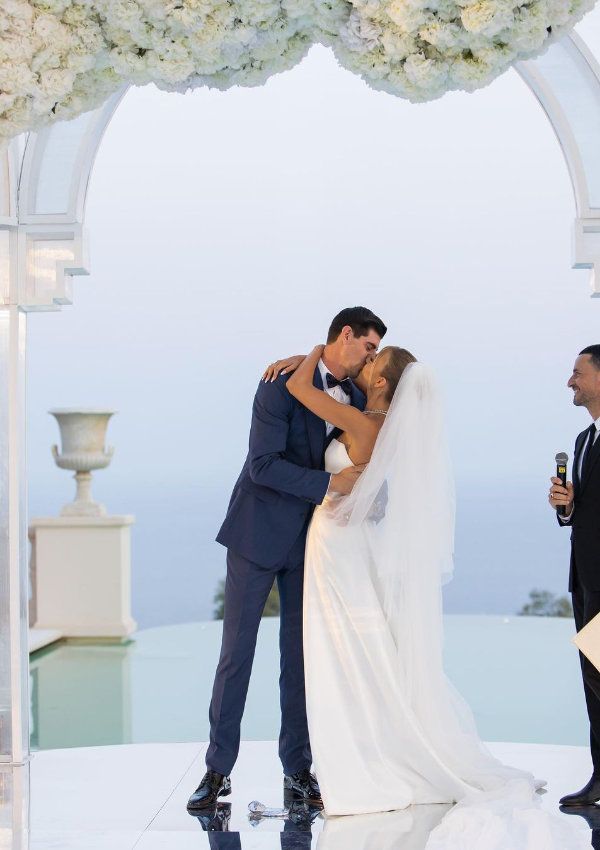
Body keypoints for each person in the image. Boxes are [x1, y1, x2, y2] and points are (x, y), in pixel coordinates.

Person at [266, 343, 543, 819]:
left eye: (372, 361)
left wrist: (312, 351)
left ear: (379, 382)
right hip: (347, 540)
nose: (363, 363)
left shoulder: (364, 423)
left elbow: (296, 387)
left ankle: (360, 758)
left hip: (336, 545)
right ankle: (367, 745)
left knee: (339, 649)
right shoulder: (383, 426)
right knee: (353, 645)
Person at [186, 307, 387, 811]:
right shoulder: (277, 387)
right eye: (368, 346)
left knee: (299, 659)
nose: (372, 357)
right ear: (347, 334)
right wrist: (329, 484)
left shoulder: (361, 398)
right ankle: (217, 771)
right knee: (237, 655)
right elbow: (262, 465)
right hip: (256, 534)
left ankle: (297, 771)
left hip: (314, 544)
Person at [550, 345, 600, 807]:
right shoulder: (585, 440)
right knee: (594, 679)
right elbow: (584, 512)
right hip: (585, 582)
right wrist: (565, 506)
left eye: (577, 373)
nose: (570, 381)